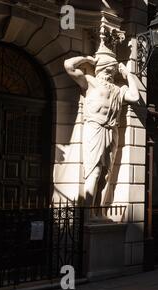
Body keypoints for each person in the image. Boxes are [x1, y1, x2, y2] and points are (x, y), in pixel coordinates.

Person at [64, 41, 140, 208]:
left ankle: (98, 212)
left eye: (112, 68)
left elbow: (135, 97)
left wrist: (128, 74)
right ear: (100, 68)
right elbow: (68, 65)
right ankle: (87, 215)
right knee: (95, 171)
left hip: (111, 130)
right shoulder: (90, 82)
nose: (110, 71)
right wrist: (87, 60)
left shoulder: (118, 89)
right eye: (107, 67)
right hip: (95, 129)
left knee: (106, 174)